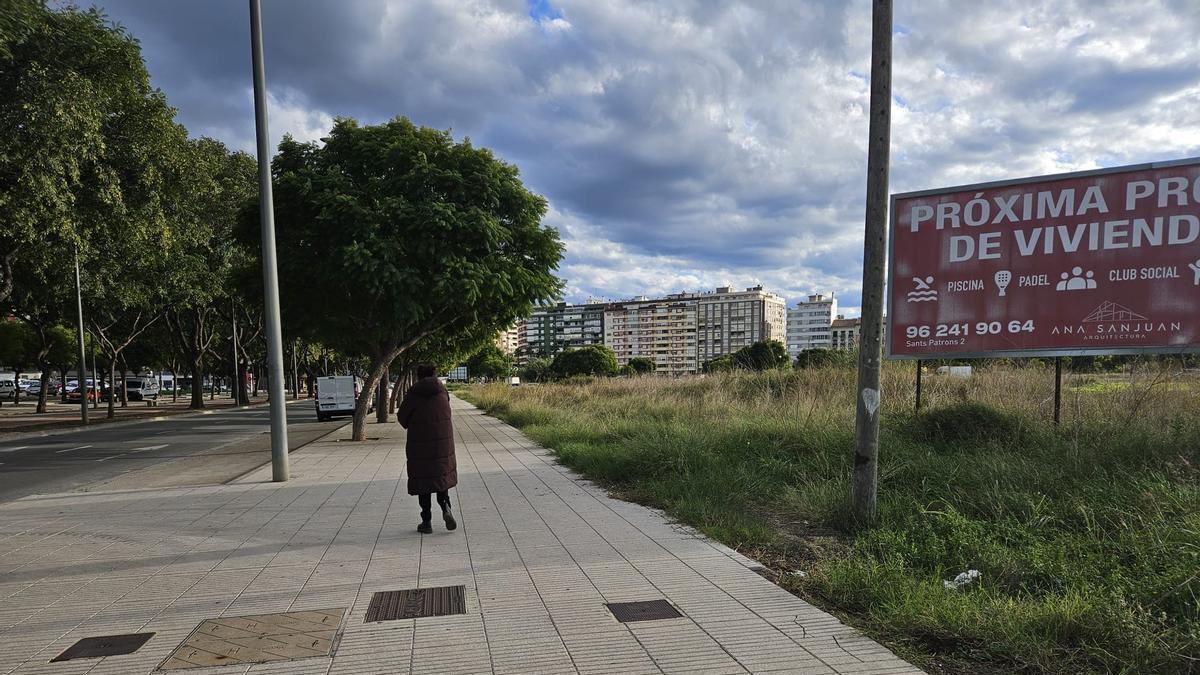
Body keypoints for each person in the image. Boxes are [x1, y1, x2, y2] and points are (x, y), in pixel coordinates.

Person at [396, 364, 458, 534]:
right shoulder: (442, 392)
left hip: (420, 445)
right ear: (434, 374)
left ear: (418, 376)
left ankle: (426, 522)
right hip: (442, 444)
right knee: (441, 477)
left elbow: (402, 418)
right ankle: (446, 507)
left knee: (424, 482)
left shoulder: (414, 394)